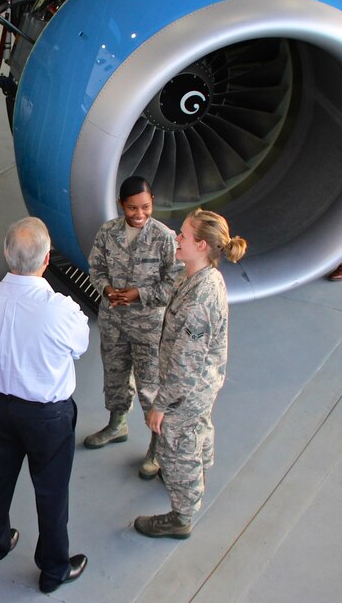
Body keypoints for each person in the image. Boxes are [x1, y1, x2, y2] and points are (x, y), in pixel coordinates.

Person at [0, 217, 90, 594]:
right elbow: (80, 347)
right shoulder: (60, 309)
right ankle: (53, 569)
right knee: (51, 491)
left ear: (7, 254)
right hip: (45, 417)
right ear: (47, 258)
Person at [135, 209, 246, 540]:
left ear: (201, 245)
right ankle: (200, 468)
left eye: (183, 234)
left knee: (176, 447)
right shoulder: (203, 274)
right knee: (198, 429)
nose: (176, 237)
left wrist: (160, 406)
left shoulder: (199, 300)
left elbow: (185, 366)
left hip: (186, 390)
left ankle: (181, 515)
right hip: (203, 383)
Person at [84, 176, 182, 481]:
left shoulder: (164, 238)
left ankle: (157, 446)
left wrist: (139, 294)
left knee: (150, 387)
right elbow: (96, 268)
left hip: (148, 328)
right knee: (114, 377)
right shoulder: (108, 232)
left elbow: (174, 283)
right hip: (113, 321)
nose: (139, 214)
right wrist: (107, 289)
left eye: (145, 207)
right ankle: (117, 425)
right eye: (132, 208)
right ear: (120, 205)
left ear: (152, 202)